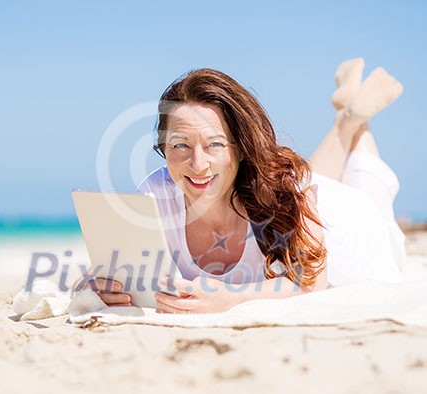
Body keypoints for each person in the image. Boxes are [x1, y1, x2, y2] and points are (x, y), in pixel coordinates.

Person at [91, 59, 406, 314]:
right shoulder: (154, 194)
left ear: (239, 147)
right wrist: (102, 285)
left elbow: (310, 281)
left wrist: (231, 298)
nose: (197, 164)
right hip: (299, 192)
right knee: (306, 177)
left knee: (365, 183)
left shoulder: (285, 187)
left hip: (349, 232)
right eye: (180, 145)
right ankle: (347, 115)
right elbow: (125, 272)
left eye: (214, 144)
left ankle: (355, 117)